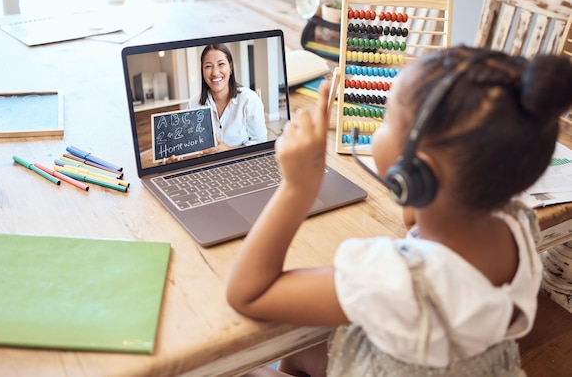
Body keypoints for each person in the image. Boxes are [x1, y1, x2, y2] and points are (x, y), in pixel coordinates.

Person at [226, 45, 572, 376]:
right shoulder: (516, 219)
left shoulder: (396, 278)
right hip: (467, 362)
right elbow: (418, 216)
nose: (378, 126)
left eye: (387, 118)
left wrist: (297, 188)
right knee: (302, 349)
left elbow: (250, 293)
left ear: (420, 171)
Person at [188, 43, 268, 153]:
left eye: (221, 64)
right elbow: (190, 145)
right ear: (202, 71)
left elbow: (260, 143)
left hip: (242, 163)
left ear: (230, 67)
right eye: (208, 66)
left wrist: (228, 150)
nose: (215, 73)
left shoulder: (249, 99)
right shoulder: (194, 104)